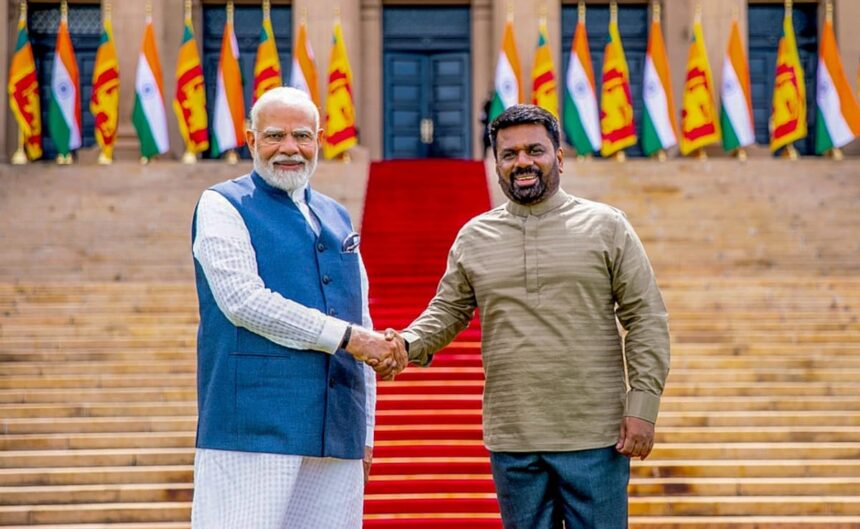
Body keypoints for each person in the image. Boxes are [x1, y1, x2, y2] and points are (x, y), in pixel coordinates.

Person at [389, 104, 670, 529]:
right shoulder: (475, 236)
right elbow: (448, 310)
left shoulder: (606, 226)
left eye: (535, 150)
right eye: (509, 154)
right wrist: (404, 344)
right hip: (514, 439)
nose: (522, 162)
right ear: (496, 164)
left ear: (559, 157)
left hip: (597, 436)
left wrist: (643, 405)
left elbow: (645, 316)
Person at [190, 86, 405, 529]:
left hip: (336, 430)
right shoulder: (223, 204)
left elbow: (362, 321)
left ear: (319, 140)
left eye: (302, 136)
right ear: (251, 140)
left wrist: (365, 433)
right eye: (275, 136)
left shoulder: (337, 217)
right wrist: (347, 338)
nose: (289, 148)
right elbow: (243, 301)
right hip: (252, 429)